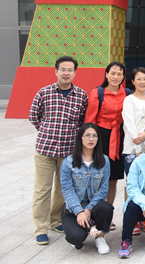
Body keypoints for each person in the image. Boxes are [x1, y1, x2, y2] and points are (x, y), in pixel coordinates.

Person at [29, 56, 88, 245]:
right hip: (45, 150)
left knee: (63, 189)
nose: (66, 73)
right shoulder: (44, 92)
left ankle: (55, 221)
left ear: (75, 73)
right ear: (56, 71)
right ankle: (41, 229)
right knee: (42, 190)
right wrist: (47, 131)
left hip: (68, 152)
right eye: (63, 69)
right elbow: (34, 116)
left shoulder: (81, 95)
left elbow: (82, 121)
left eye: (70, 70)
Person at [60, 123, 113, 254]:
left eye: (94, 136)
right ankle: (85, 230)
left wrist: (89, 208)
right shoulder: (68, 162)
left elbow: (103, 189)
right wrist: (79, 211)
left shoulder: (104, 161)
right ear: (80, 138)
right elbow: (67, 190)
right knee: (75, 237)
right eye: (87, 135)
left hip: (94, 205)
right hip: (74, 207)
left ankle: (99, 237)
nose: (91, 139)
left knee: (106, 207)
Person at [85, 62, 129, 219]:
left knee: (113, 179)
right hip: (101, 137)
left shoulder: (127, 94)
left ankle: (106, 215)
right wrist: (89, 143)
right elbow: (89, 120)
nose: (115, 77)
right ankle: (92, 212)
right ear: (106, 74)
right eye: (113, 73)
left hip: (119, 138)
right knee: (96, 177)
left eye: (119, 74)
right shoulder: (98, 93)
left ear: (123, 77)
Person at [122, 67, 145, 236]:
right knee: (133, 185)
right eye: (139, 79)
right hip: (132, 149)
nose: (143, 82)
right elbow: (129, 125)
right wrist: (137, 150)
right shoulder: (129, 100)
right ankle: (133, 219)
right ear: (133, 81)